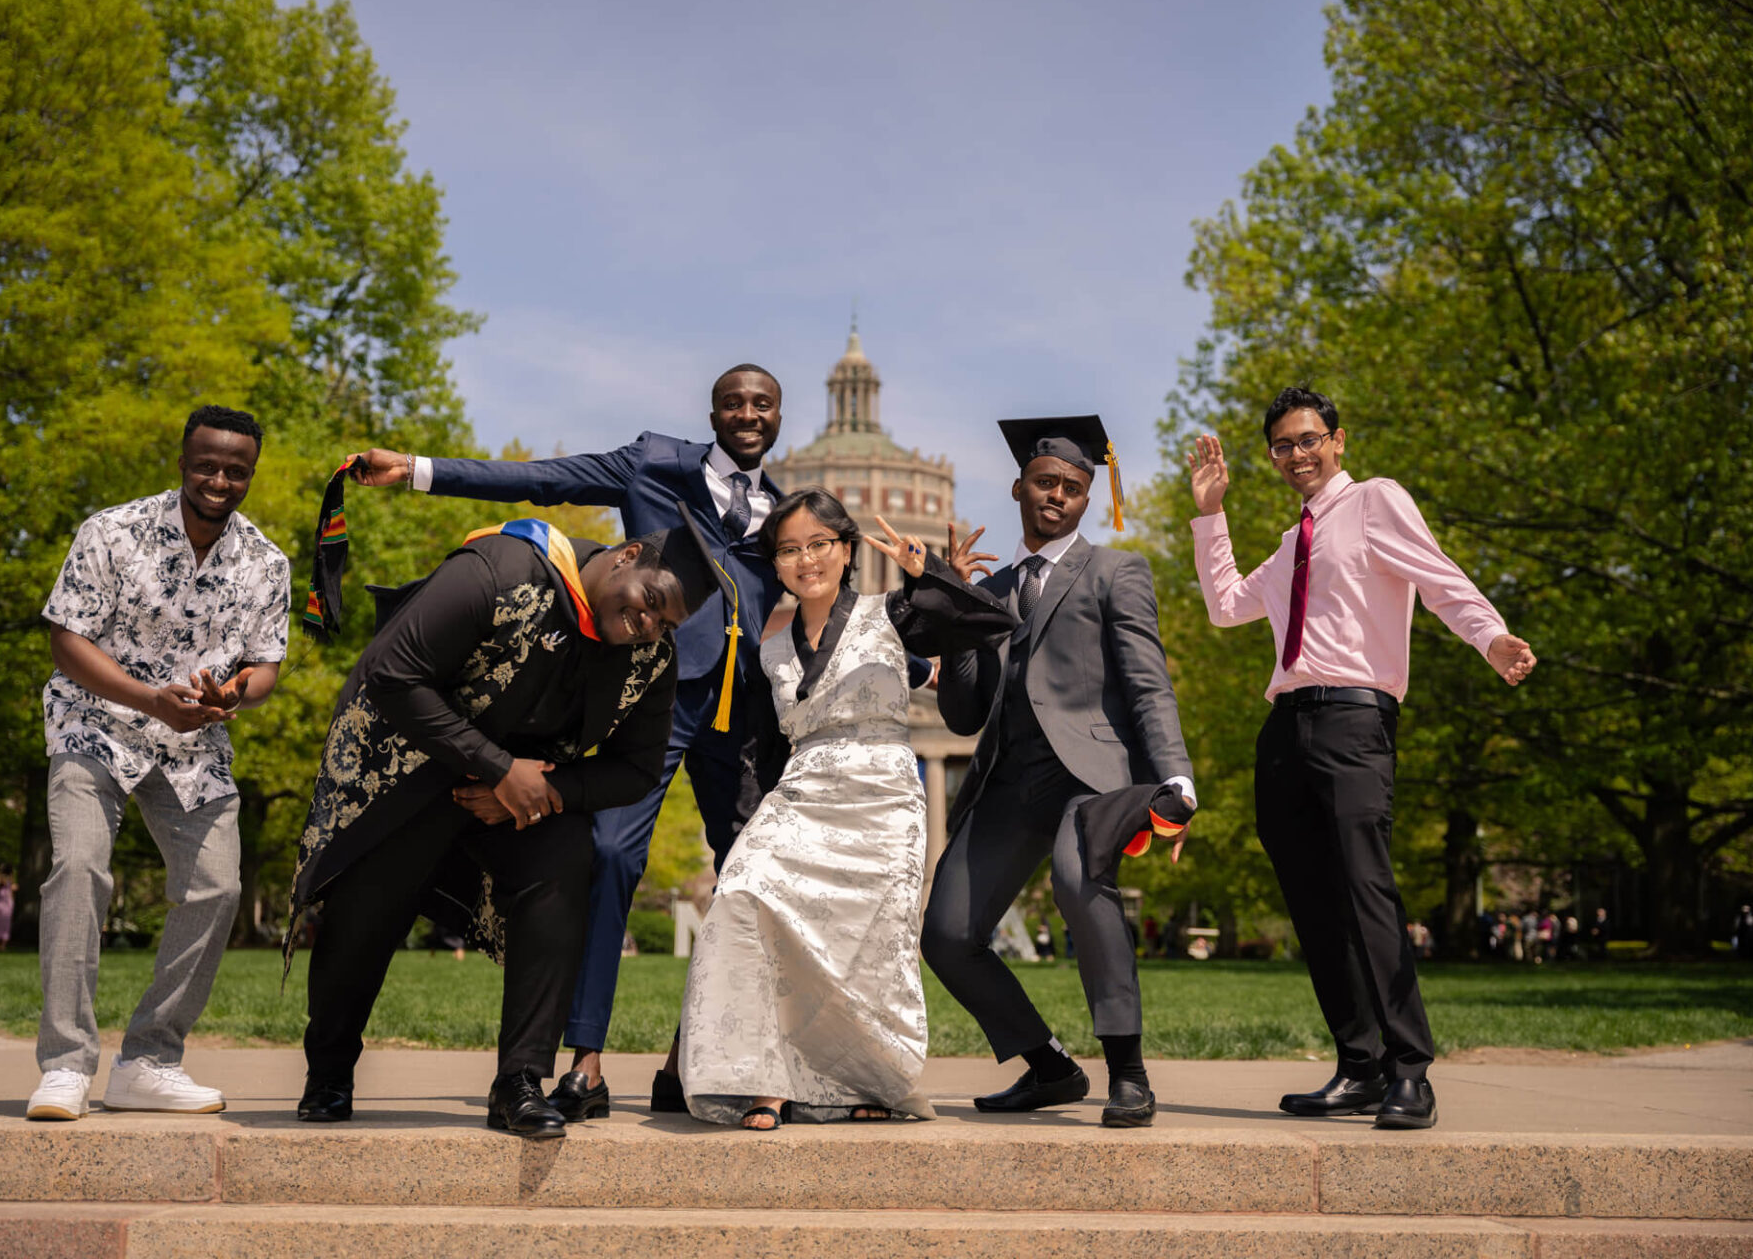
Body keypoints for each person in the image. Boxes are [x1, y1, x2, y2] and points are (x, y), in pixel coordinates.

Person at [341, 366, 788, 1120]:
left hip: (742, 713)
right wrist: (419, 472)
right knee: (610, 854)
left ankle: (693, 1059)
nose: (747, 414)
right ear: (712, 411)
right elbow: (543, 479)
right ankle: (586, 1063)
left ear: (779, 416)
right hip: (658, 697)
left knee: (753, 882)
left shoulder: (784, 509)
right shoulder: (655, 463)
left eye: (762, 404)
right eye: (734, 402)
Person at [289, 508, 723, 1139]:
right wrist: (499, 768)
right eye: (651, 601)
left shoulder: (649, 658)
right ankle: (328, 1074)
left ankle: (519, 1083)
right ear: (628, 556)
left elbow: (635, 770)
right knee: (364, 917)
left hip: (514, 804)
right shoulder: (501, 569)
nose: (648, 623)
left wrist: (544, 788)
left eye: (665, 621)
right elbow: (392, 671)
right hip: (409, 774)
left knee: (570, 855)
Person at [1187, 385, 1537, 1131]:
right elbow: (1224, 606)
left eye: (1309, 439)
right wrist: (1211, 514)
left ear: (1338, 442)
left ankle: (1410, 1070)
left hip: (1354, 720)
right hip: (1284, 729)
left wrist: (1490, 636)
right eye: (1283, 445)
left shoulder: (1377, 501)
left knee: (1367, 893)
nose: (1297, 455)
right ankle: (1359, 1067)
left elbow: (1439, 577)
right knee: (1314, 909)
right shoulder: (1291, 545)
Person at [680, 494, 1011, 1129]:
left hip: (882, 793)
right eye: (789, 549)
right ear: (774, 563)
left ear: (848, 550)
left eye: (819, 544)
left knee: (869, 946)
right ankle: (761, 1079)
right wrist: (745, 822)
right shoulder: (770, 648)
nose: (805, 559)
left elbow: (985, 625)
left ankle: (870, 1081)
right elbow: (759, 748)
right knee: (742, 893)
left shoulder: (891, 614)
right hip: (803, 790)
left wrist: (935, 578)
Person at [923, 416, 1196, 1130]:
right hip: (1010, 781)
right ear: (1019, 487)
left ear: (1086, 500)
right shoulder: (991, 591)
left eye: (1074, 489)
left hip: (1091, 777)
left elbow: (1148, 685)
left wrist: (1176, 778)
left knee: (1080, 880)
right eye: (1046, 483)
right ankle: (1048, 1067)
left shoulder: (1115, 572)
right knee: (947, 935)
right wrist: (956, 613)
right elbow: (963, 713)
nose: (1058, 497)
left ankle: (1128, 1073)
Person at [26, 405, 289, 1121]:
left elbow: (265, 664)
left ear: (250, 475)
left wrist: (231, 694)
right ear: (182, 461)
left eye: (236, 469)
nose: (220, 479)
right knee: (79, 869)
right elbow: (66, 641)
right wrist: (149, 698)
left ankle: (148, 1059)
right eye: (207, 463)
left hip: (192, 746)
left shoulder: (267, 562)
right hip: (95, 726)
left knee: (217, 889)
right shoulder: (111, 533)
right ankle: (65, 1067)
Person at [0, 866, 15, 952]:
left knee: (6, 926)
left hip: (7, 907)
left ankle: (3, 945)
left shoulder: (9, 882)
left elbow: (10, 883)